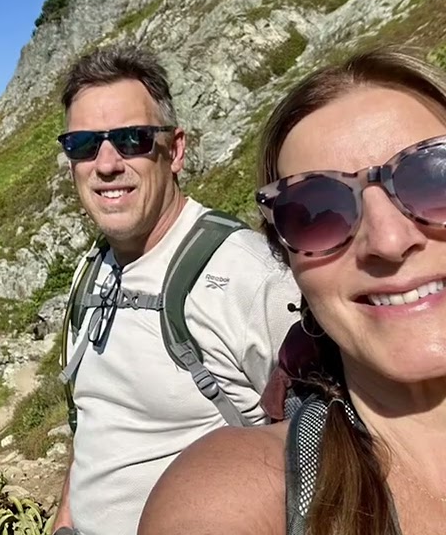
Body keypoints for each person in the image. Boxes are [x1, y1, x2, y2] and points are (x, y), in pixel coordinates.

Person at [138, 48, 446, 535]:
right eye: (317, 213)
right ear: (288, 261)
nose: (389, 241)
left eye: (439, 178)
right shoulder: (240, 491)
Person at [49, 45, 302, 535]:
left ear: (176, 149)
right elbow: (97, 420)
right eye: (82, 145)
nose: (106, 164)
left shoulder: (248, 274)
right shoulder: (94, 268)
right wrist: (65, 518)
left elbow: (333, 439)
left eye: (132, 139)